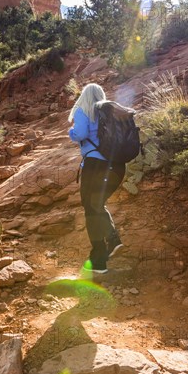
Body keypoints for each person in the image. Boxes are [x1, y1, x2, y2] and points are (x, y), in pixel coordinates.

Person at [68, 83, 125, 274]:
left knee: (90, 208)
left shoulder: (83, 111)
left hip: (94, 166)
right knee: (97, 205)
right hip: (116, 166)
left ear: (84, 96)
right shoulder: (108, 113)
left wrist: (71, 133)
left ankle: (101, 254)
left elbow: (81, 134)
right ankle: (107, 248)